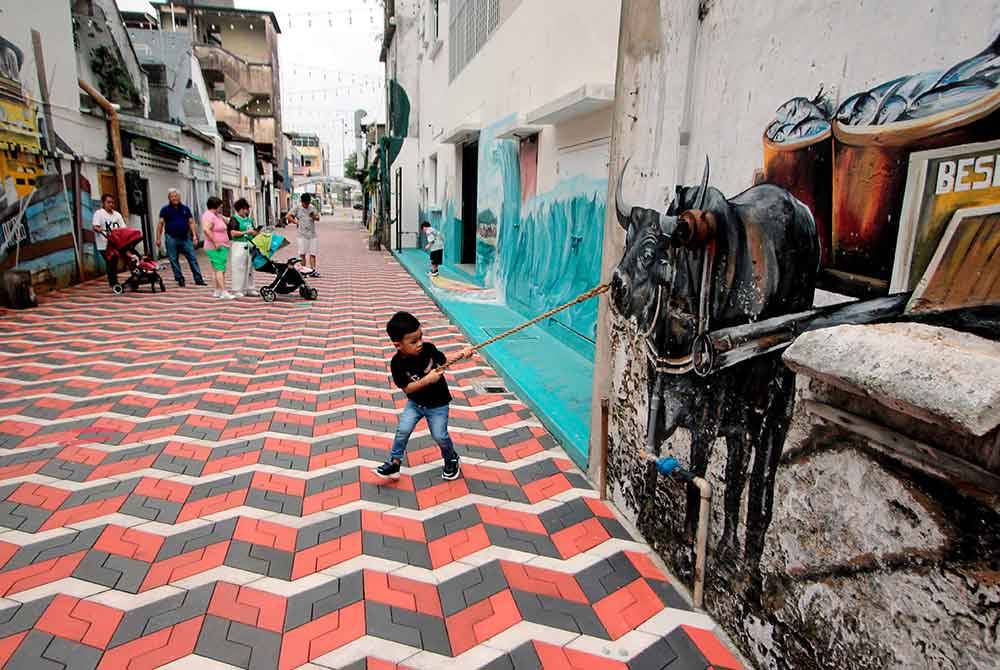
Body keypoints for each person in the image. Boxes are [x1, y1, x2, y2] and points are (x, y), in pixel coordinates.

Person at [376, 311, 473, 481]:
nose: (420, 343)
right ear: (398, 345)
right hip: (415, 404)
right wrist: (427, 380)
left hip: (438, 404)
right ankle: (394, 463)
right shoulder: (397, 363)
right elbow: (408, 389)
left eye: (421, 337)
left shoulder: (429, 349)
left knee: (440, 435)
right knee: (403, 431)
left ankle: (451, 459)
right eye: (414, 341)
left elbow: (444, 361)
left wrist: (462, 354)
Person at [157, 188, 205, 287]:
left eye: (176, 196)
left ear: (179, 197)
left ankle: (198, 279)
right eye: (172, 196)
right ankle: (180, 278)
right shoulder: (165, 209)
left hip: (185, 238)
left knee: (192, 257)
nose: (174, 198)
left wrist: (195, 236)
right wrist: (158, 238)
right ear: (169, 198)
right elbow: (160, 224)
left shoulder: (185, 209)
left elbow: (191, 222)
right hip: (171, 237)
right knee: (173, 259)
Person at [201, 196, 235, 299]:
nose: (221, 208)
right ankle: (224, 291)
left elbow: (229, 221)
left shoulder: (217, 215)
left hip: (222, 245)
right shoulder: (209, 216)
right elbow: (206, 230)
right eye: (220, 206)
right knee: (220, 268)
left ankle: (217, 290)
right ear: (215, 206)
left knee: (217, 269)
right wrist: (215, 242)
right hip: (215, 247)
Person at [91, 193, 126, 289]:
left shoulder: (117, 215)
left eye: (112, 202)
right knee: (111, 262)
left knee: (114, 261)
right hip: (104, 244)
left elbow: (123, 227)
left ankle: (114, 282)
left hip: (115, 243)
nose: (111, 204)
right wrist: (101, 230)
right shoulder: (99, 213)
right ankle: (113, 283)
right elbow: (95, 226)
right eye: (108, 202)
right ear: (103, 203)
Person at [285, 193, 321, 276]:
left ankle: (312, 270)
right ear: (302, 202)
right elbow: (288, 216)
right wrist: (296, 222)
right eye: (305, 203)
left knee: (313, 253)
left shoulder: (312, 207)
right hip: (302, 235)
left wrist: (314, 216)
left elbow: (318, 218)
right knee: (302, 254)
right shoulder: (297, 208)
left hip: (312, 234)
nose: (306, 205)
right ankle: (303, 271)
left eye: (308, 203)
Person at [229, 198, 257, 297]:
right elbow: (232, 233)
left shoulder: (249, 219)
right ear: (239, 209)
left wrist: (255, 232)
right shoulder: (234, 219)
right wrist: (245, 232)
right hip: (239, 246)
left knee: (250, 268)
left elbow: (254, 230)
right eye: (245, 209)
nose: (246, 211)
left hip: (250, 244)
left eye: (247, 209)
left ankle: (250, 288)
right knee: (239, 267)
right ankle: (237, 289)